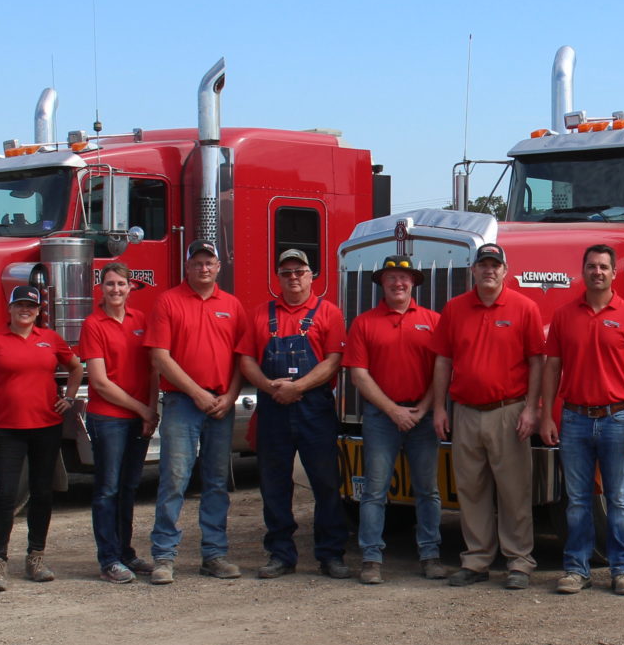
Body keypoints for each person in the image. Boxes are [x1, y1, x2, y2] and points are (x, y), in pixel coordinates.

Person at [539, 244, 624, 596]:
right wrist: (547, 415)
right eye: (591, 266)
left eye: (604, 267)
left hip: (617, 418)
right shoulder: (564, 315)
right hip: (574, 418)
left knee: (618, 499)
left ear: (614, 273)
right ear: (583, 271)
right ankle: (577, 569)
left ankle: (622, 570)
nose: (597, 272)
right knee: (577, 500)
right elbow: (552, 368)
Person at [431, 242, 545, 589]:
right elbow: (443, 360)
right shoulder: (454, 309)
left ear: (505, 271)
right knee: (471, 490)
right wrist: (439, 407)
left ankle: (519, 562)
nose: (489, 270)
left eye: (496, 265)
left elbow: (537, 361)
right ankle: (477, 560)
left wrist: (531, 408)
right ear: (474, 270)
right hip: (465, 412)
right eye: (484, 265)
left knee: (514, 491)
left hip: (507, 412)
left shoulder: (525, 308)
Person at [239, 247, 351, 581]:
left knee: (326, 484)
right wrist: (270, 386)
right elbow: (245, 359)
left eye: (299, 272)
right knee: (274, 485)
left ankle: (331, 555)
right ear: (279, 278)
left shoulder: (328, 313)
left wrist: (298, 387)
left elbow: (334, 360)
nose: (293, 278)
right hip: (273, 408)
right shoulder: (261, 314)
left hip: (314, 408)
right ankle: (280, 554)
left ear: (311, 275)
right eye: (286, 273)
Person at [0, 284, 81, 592]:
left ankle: (36, 558)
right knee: (5, 496)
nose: (25, 310)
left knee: (42, 493)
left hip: (46, 426)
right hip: (8, 429)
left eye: (31, 306)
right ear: (10, 308)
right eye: (19, 305)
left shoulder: (50, 340)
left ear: (39, 310)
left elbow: (76, 368)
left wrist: (68, 398)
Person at [146, 240, 247, 584]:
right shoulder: (168, 301)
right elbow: (160, 358)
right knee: (175, 480)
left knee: (217, 483)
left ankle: (214, 555)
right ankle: (164, 556)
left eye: (210, 263)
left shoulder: (232, 306)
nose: (204, 268)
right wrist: (198, 394)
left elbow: (241, 358)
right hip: (182, 404)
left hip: (221, 405)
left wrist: (230, 395)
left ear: (219, 267)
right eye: (197, 263)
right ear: (187, 267)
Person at [345, 255, 445, 585]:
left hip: (422, 416)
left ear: (413, 282)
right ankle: (371, 558)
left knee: (427, 490)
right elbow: (359, 375)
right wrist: (393, 410)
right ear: (381, 284)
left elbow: (441, 371)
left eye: (403, 278)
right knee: (374, 490)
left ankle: (430, 554)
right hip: (381, 418)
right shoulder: (364, 323)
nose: (398, 283)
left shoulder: (433, 321)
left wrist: (423, 407)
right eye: (391, 278)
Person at [79, 261, 158, 584]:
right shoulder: (93, 324)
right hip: (108, 419)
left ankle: (125, 552)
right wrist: (142, 409)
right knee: (108, 490)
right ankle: (108, 559)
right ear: (101, 288)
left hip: (139, 418)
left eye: (121, 285)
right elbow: (99, 382)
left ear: (130, 288)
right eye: (110, 284)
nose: (116, 290)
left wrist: (152, 411)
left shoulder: (141, 321)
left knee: (128, 488)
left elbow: (154, 369)